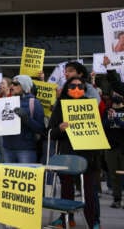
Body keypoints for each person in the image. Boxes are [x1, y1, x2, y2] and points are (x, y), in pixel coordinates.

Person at [49, 76, 100, 229]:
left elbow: (98, 130)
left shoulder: (89, 105)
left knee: (90, 192)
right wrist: (60, 128)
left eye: (80, 86)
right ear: (66, 88)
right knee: (67, 191)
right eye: (73, 86)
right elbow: (50, 132)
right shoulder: (60, 106)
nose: (77, 89)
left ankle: (93, 222)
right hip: (67, 156)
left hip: (87, 156)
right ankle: (66, 219)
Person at [0, 75, 45, 164]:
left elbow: (41, 129)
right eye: (12, 83)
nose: (12, 86)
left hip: (26, 150)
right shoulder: (6, 102)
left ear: (25, 86)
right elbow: (0, 128)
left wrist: (26, 119)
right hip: (7, 148)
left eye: (16, 84)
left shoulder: (34, 102)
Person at [102, 95, 124, 208]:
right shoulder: (107, 111)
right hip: (110, 147)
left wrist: (116, 118)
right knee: (114, 174)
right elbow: (103, 127)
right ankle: (117, 198)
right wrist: (109, 119)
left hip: (122, 147)